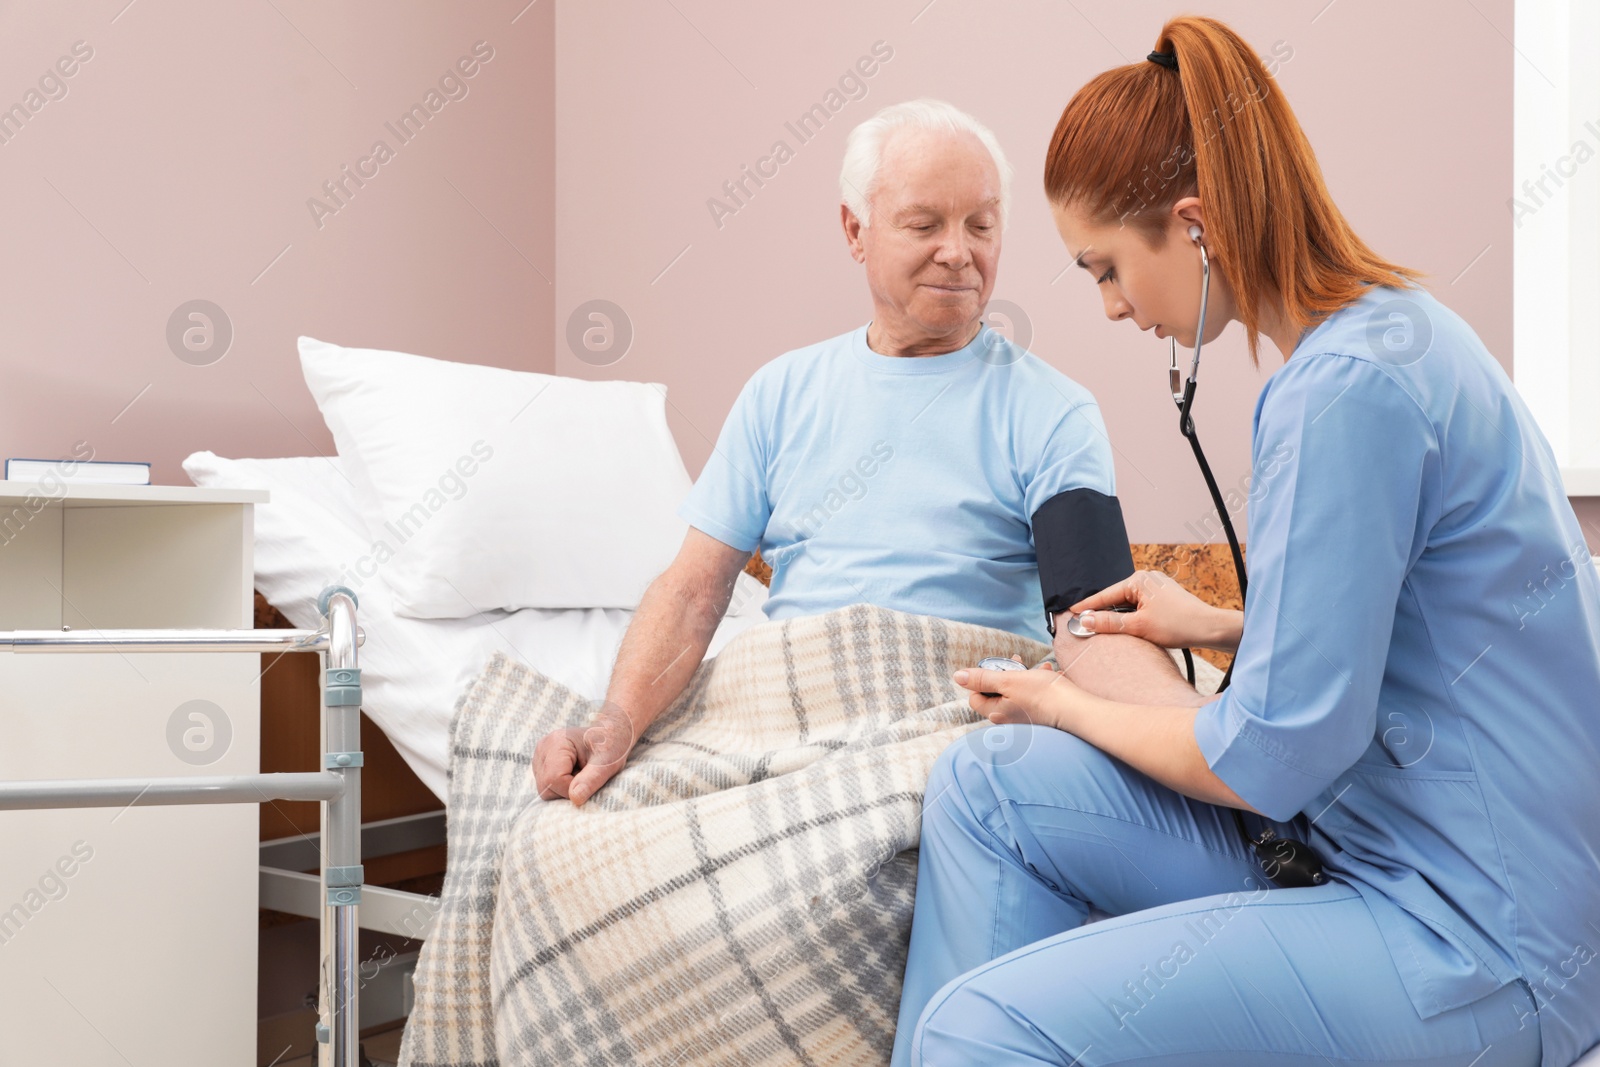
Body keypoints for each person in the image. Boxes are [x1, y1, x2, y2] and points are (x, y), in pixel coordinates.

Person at [893, 15, 1600, 1067]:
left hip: (1474, 941)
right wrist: (1223, 621)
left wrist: (1061, 699)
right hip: (1390, 859)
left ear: (1193, 225)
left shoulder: (1343, 391)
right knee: (984, 785)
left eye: (1105, 267)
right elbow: (1412, 635)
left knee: (974, 1025)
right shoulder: (1387, 332)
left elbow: (1270, 757)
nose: (1113, 306)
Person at [534, 99, 1204, 808]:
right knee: (568, 828)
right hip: (786, 720)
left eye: (982, 225)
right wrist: (617, 719)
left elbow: (1090, 621)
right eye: (924, 224)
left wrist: (1201, 735)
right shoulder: (779, 394)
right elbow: (693, 591)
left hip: (957, 725)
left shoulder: (1052, 411)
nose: (959, 251)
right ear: (856, 229)